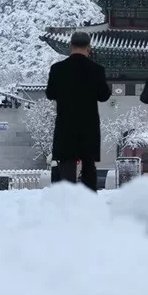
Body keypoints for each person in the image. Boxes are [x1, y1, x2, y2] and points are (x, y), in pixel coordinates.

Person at [45, 30, 112, 192]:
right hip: (88, 123)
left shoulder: (57, 69)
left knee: (67, 161)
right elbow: (104, 96)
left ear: (70, 46)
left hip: (65, 123)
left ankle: (68, 199)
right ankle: (89, 199)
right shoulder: (97, 69)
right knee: (88, 162)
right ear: (89, 47)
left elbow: (50, 94)